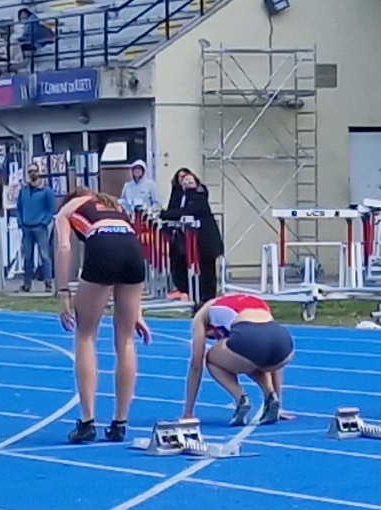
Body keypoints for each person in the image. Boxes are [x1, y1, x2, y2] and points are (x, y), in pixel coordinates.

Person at [54, 178, 152, 444]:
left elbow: (64, 248)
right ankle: (120, 422)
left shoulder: (68, 209)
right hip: (133, 252)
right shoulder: (115, 206)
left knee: (85, 335)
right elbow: (126, 242)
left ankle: (87, 422)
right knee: (126, 340)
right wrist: (137, 312)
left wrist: (63, 293)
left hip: (103, 249)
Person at [184, 282, 296, 428]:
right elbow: (270, 354)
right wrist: (278, 402)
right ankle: (271, 396)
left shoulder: (202, 315)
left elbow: (196, 364)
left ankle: (241, 398)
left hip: (249, 339)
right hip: (284, 345)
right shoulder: (252, 301)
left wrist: (188, 412)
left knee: (211, 358)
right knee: (255, 359)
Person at [162, 164, 224, 303]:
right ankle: (192, 292)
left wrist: (164, 214)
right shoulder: (183, 196)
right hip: (193, 238)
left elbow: (187, 211)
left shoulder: (199, 196)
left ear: (196, 183)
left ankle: (208, 298)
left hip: (206, 239)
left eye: (190, 182)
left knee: (207, 269)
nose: (187, 184)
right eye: (184, 182)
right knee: (188, 263)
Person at [13, 161, 62, 289]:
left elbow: (51, 209)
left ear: (39, 172)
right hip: (26, 227)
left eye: (34, 171)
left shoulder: (46, 191)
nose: (32, 173)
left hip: (40, 227)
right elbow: (19, 208)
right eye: (30, 171)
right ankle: (27, 284)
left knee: (44, 255)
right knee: (27, 257)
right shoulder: (23, 191)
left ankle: (48, 283)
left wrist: (44, 222)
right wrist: (20, 221)